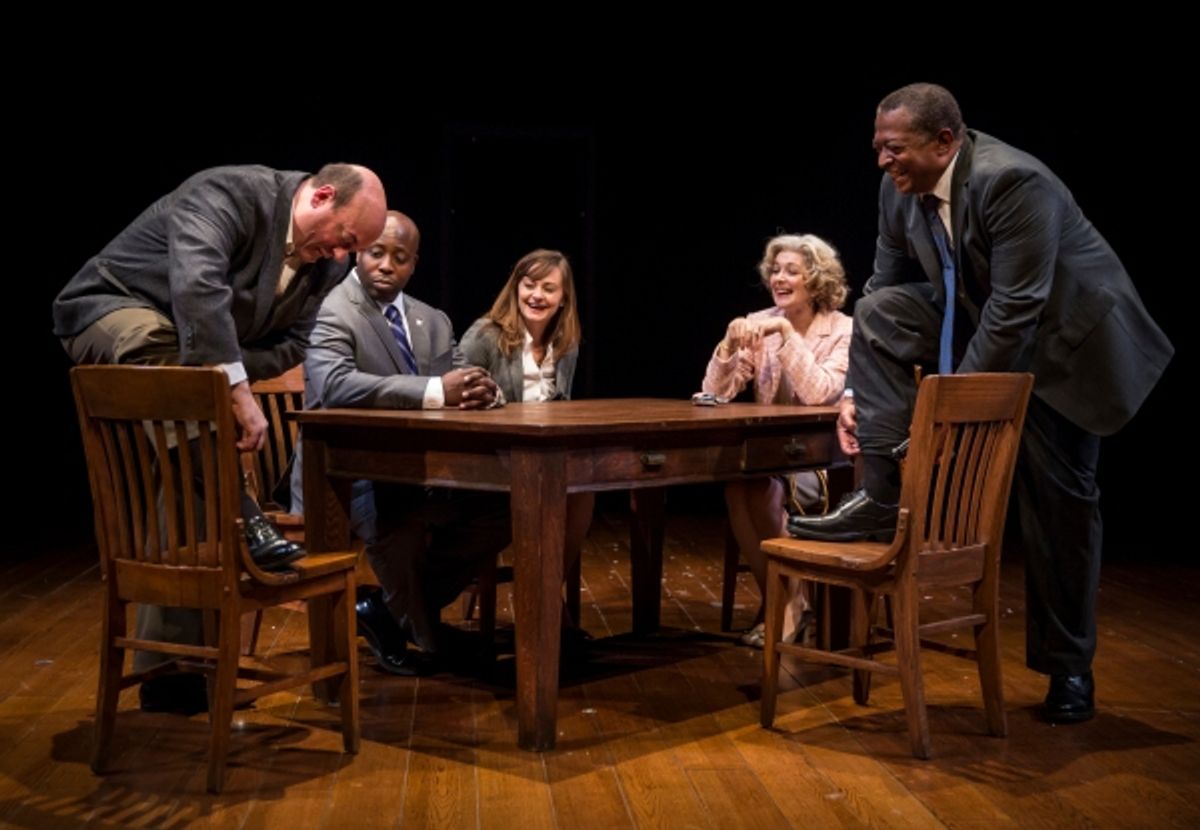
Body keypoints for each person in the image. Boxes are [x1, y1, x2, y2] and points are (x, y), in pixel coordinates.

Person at [786, 83, 1174, 724]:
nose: (883, 161)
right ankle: (882, 495)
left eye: (895, 148)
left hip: (1067, 349)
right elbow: (885, 284)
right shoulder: (899, 189)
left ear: (946, 142)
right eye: (878, 148)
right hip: (985, 321)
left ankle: (1068, 669)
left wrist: (947, 418)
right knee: (879, 310)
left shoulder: (1014, 182)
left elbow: (1017, 309)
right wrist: (857, 390)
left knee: (1060, 508)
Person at [53, 163, 387, 712]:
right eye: (343, 239)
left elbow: (293, 344)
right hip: (111, 309)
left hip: (189, 359)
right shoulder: (230, 193)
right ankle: (248, 517)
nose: (340, 257)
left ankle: (172, 672)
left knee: (187, 472)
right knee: (187, 384)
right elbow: (196, 286)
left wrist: (219, 371)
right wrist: (229, 385)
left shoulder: (325, 268)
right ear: (322, 196)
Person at [292, 211, 507, 676]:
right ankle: (428, 638)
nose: (387, 265)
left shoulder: (432, 320)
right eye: (377, 252)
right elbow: (334, 386)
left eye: (400, 257)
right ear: (358, 251)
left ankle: (387, 614)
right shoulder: (330, 308)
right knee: (399, 511)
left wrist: (481, 391)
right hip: (348, 475)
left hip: (426, 469)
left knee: (502, 509)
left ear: (414, 264)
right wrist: (435, 392)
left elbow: (455, 376)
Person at [700, 234, 852, 648]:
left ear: (816, 280)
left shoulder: (841, 330)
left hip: (825, 460)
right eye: (776, 271)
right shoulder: (759, 319)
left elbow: (821, 392)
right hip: (771, 453)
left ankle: (787, 604)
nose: (779, 279)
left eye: (792, 271)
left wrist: (786, 333)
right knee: (739, 484)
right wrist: (729, 347)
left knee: (762, 488)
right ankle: (784, 599)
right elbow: (716, 393)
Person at [460, 249, 594, 639]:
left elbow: (562, 409)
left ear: (563, 297)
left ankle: (542, 596)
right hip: (491, 461)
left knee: (584, 490)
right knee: (552, 495)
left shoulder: (566, 344)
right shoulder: (486, 335)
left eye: (548, 288)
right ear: (515, 287)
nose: (536, 295)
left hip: (541, 463)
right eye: (529, 285)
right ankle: (549, 608)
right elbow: (454, 395)